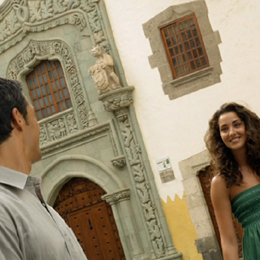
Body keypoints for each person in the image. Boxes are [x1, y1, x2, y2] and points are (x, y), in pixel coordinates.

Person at [0, 78, 87, 260]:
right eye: (35, 115)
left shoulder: (30, 199)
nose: (39, 127)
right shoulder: (4, 209)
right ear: (18, 119)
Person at [204, 102, 260, 260]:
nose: (232, 132)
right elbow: (228, 241)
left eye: (237, 125)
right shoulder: (221, 183)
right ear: (219, 137)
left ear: (248, 127)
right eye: (224, 129)